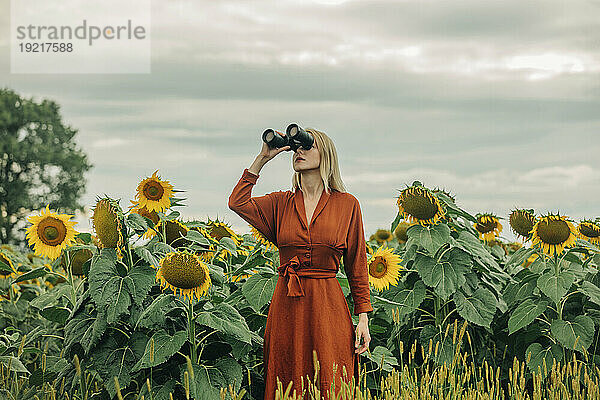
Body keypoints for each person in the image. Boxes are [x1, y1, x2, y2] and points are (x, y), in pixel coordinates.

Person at [228, 128, 373, 400]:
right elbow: (237, 202)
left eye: (307, 146)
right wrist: (262, 158)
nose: (299, 152)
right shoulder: (281, 203)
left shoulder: (347, 205)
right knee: (286, 379)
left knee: (331, 379)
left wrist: (363, 316)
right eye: (295, 148)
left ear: (326, 155)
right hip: (287, 306)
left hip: (328, 307)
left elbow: (357, 264)